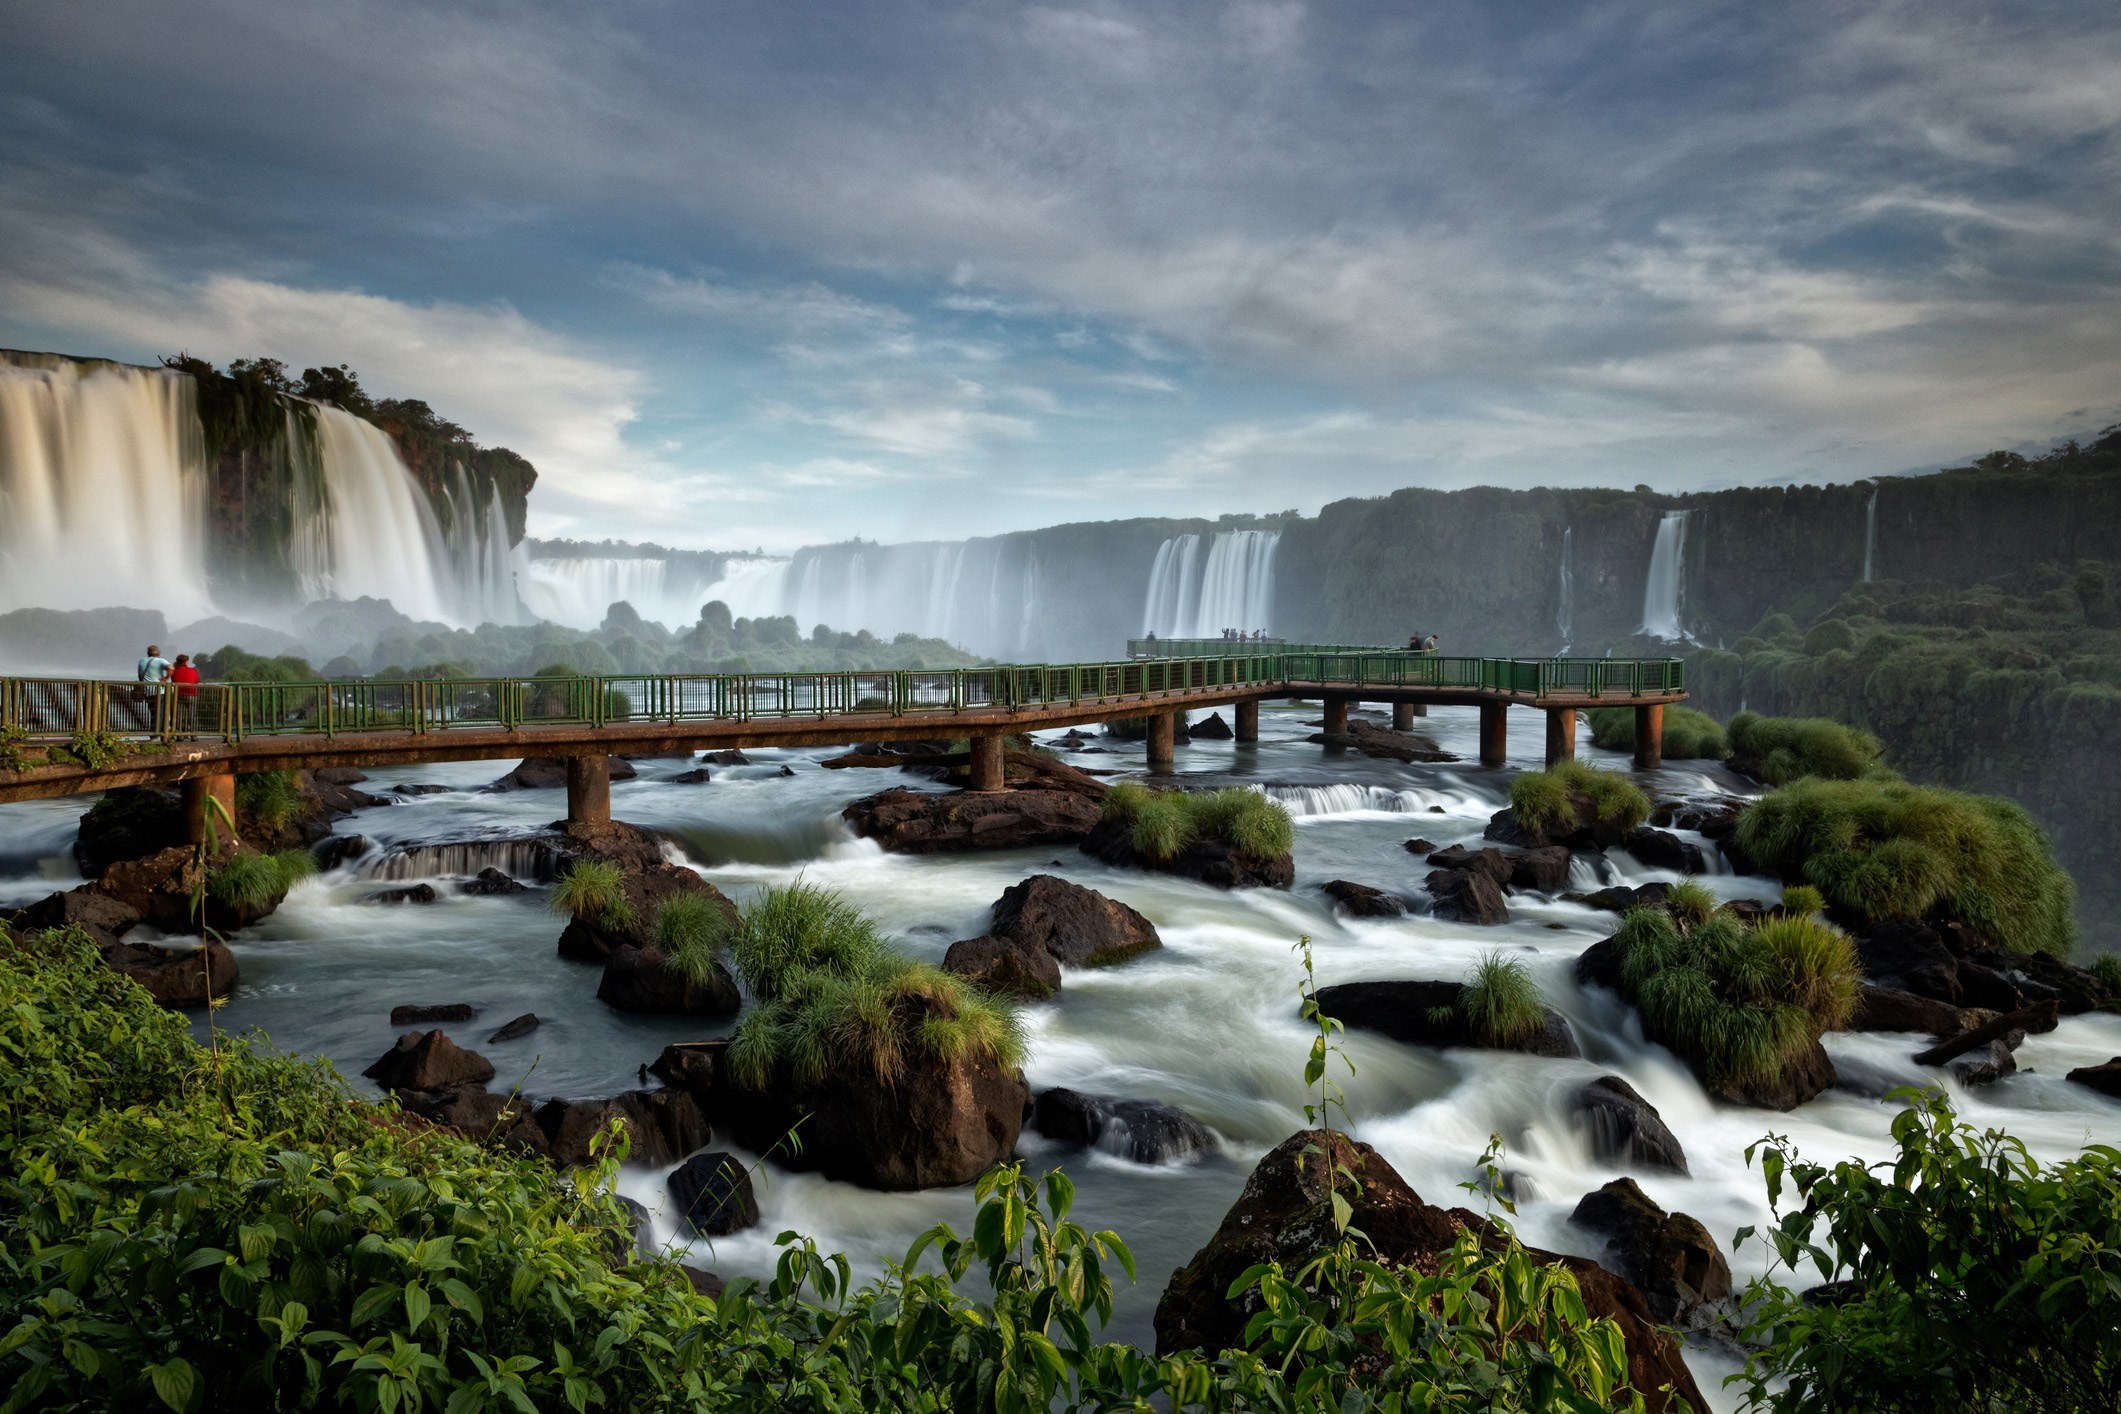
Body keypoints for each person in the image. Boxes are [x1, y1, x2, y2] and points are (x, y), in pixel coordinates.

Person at [134, 643, 172, 727]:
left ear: (148, 653)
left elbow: (140, 676)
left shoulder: (142, 661)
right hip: (159, 691)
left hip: (147, 691)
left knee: (152, 711)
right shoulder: (160, 660)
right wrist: (166, 678)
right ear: (158, 653)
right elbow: (171, 668)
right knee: (160, 712)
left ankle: (154, 730)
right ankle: (159, 731)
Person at [170, 653, 201, 734]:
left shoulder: (174, 672)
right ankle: (193, 734)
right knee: (192, 715)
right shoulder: (192, 670)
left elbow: (174, 681)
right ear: (186, 662)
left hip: (179, 695)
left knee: (179, 715)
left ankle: (180, 734)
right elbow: (197, 681)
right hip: (191, 694)